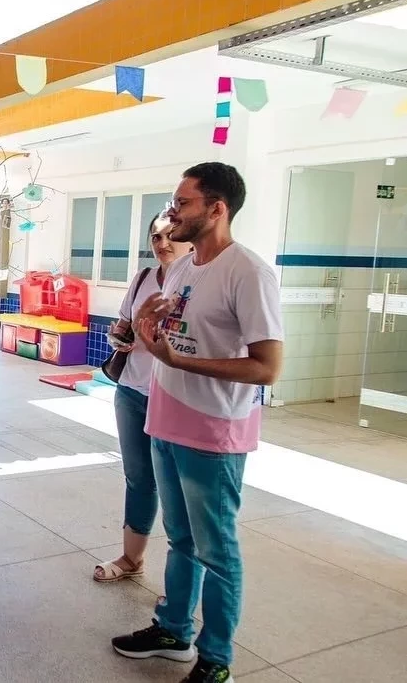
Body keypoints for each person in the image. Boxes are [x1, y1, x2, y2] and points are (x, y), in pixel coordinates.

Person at [112, 163, 283, 683]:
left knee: (217, 548)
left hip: (214, 431)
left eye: (182, 203)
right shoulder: (186, 269)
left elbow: (267, 367)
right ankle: (173, 629)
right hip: (167, 418)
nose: (172, 212)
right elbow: (169, 336)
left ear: (216, 209)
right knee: (181, 538)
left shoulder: (249, 273)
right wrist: (146, 330)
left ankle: (215, 658)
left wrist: (180, 361)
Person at [94, 214, 192, 583]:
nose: (162, 243)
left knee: (177, 487)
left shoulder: (198, 282)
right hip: (132, 390)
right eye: (155, 236)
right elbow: (120, 327)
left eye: (170, 235)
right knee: (138, 478)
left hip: (175, 396)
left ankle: (181, 584)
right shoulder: (142, 279)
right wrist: (120, 336)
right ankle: (131, 558)